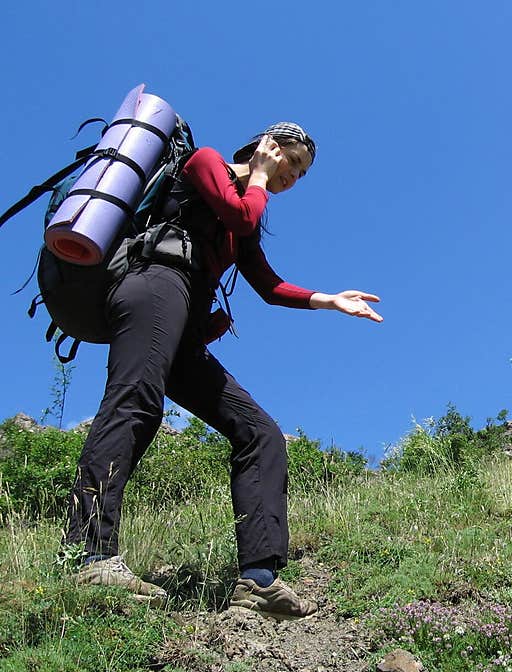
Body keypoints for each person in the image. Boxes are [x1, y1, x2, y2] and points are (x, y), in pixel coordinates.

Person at [65, 122, 382, 620]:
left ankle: (257, 579)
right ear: (268, 146)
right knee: (136, 405)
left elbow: (268, 285)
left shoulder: (249, 210)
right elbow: (238, 216)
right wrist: (257, 177)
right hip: (153, 287)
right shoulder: (206, 162)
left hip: (184, 323)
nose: (292, 178)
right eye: (292, 163)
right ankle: (91, 555)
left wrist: (330, 300)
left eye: (300, 174)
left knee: (260, 433)